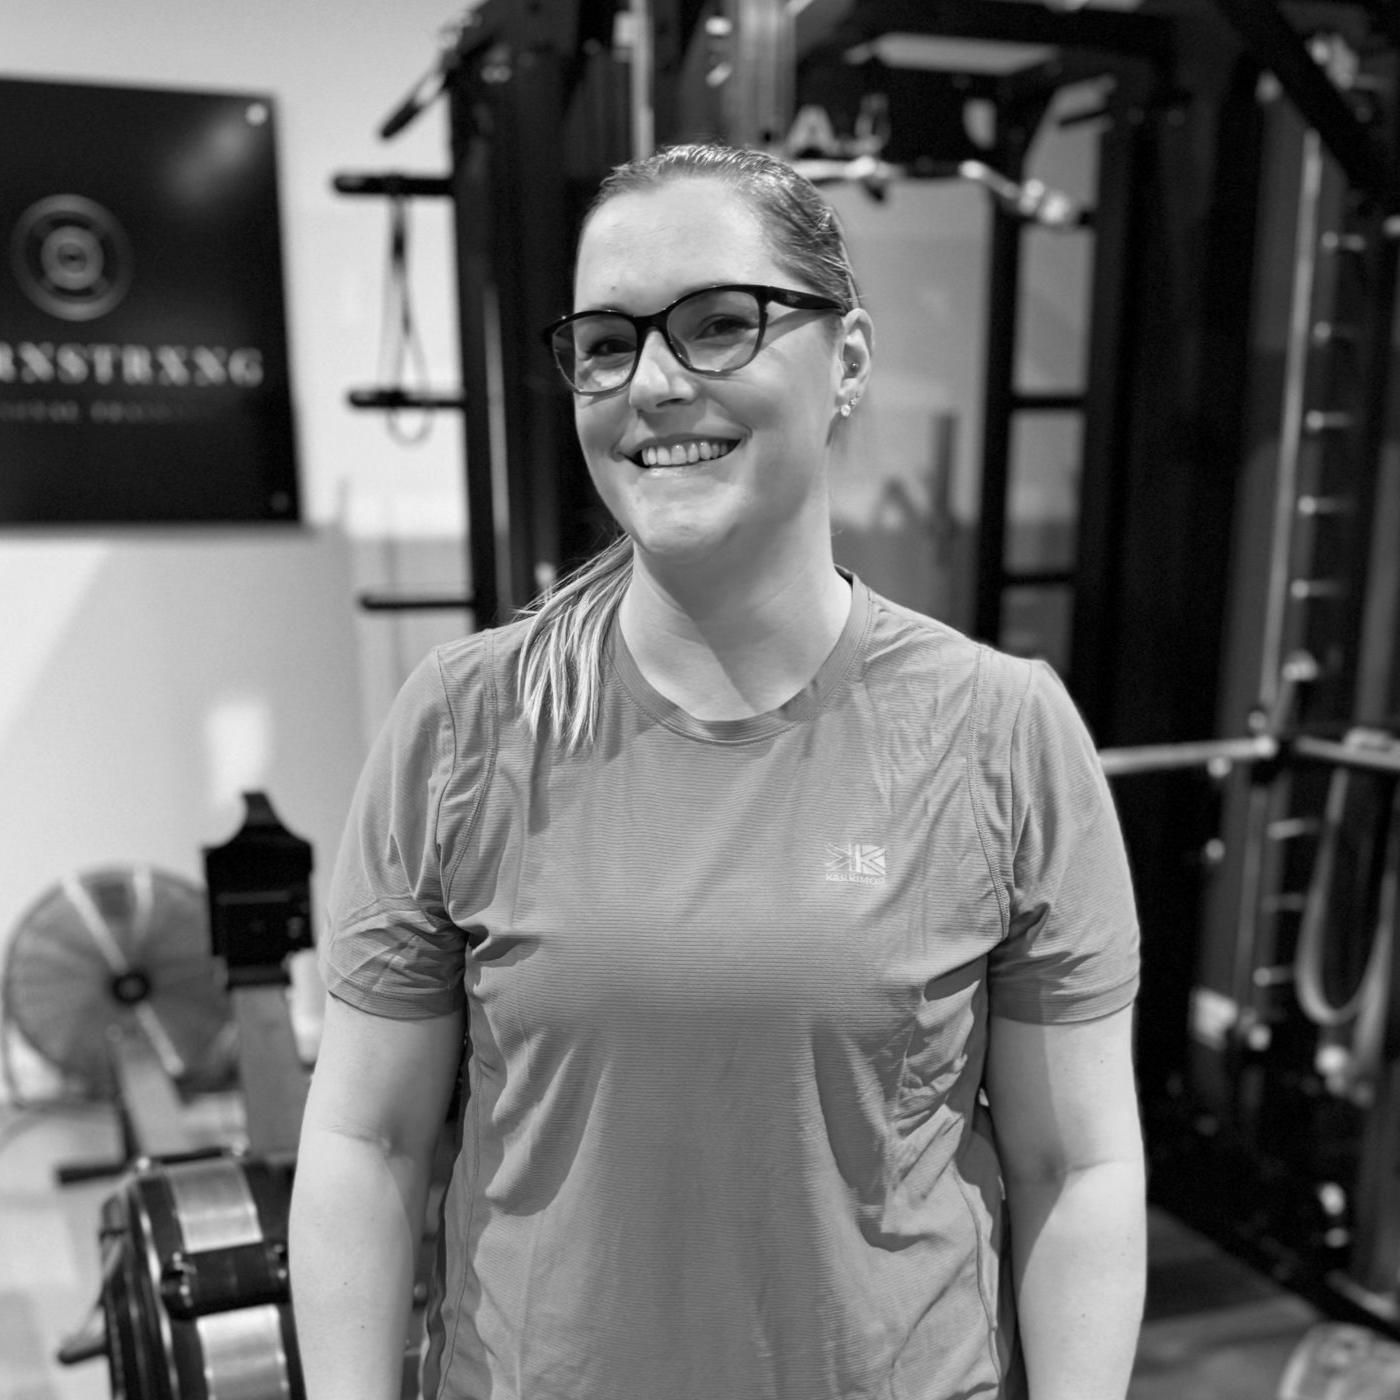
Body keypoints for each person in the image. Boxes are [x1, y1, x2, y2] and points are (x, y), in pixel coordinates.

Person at [289, 141, 1145, 1400]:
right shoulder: (464, 723)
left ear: (845, 357)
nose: (651, 382)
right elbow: (368, 1139)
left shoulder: (1000, 730)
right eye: (605, 341)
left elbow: (1074, 1167)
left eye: (717, 325)